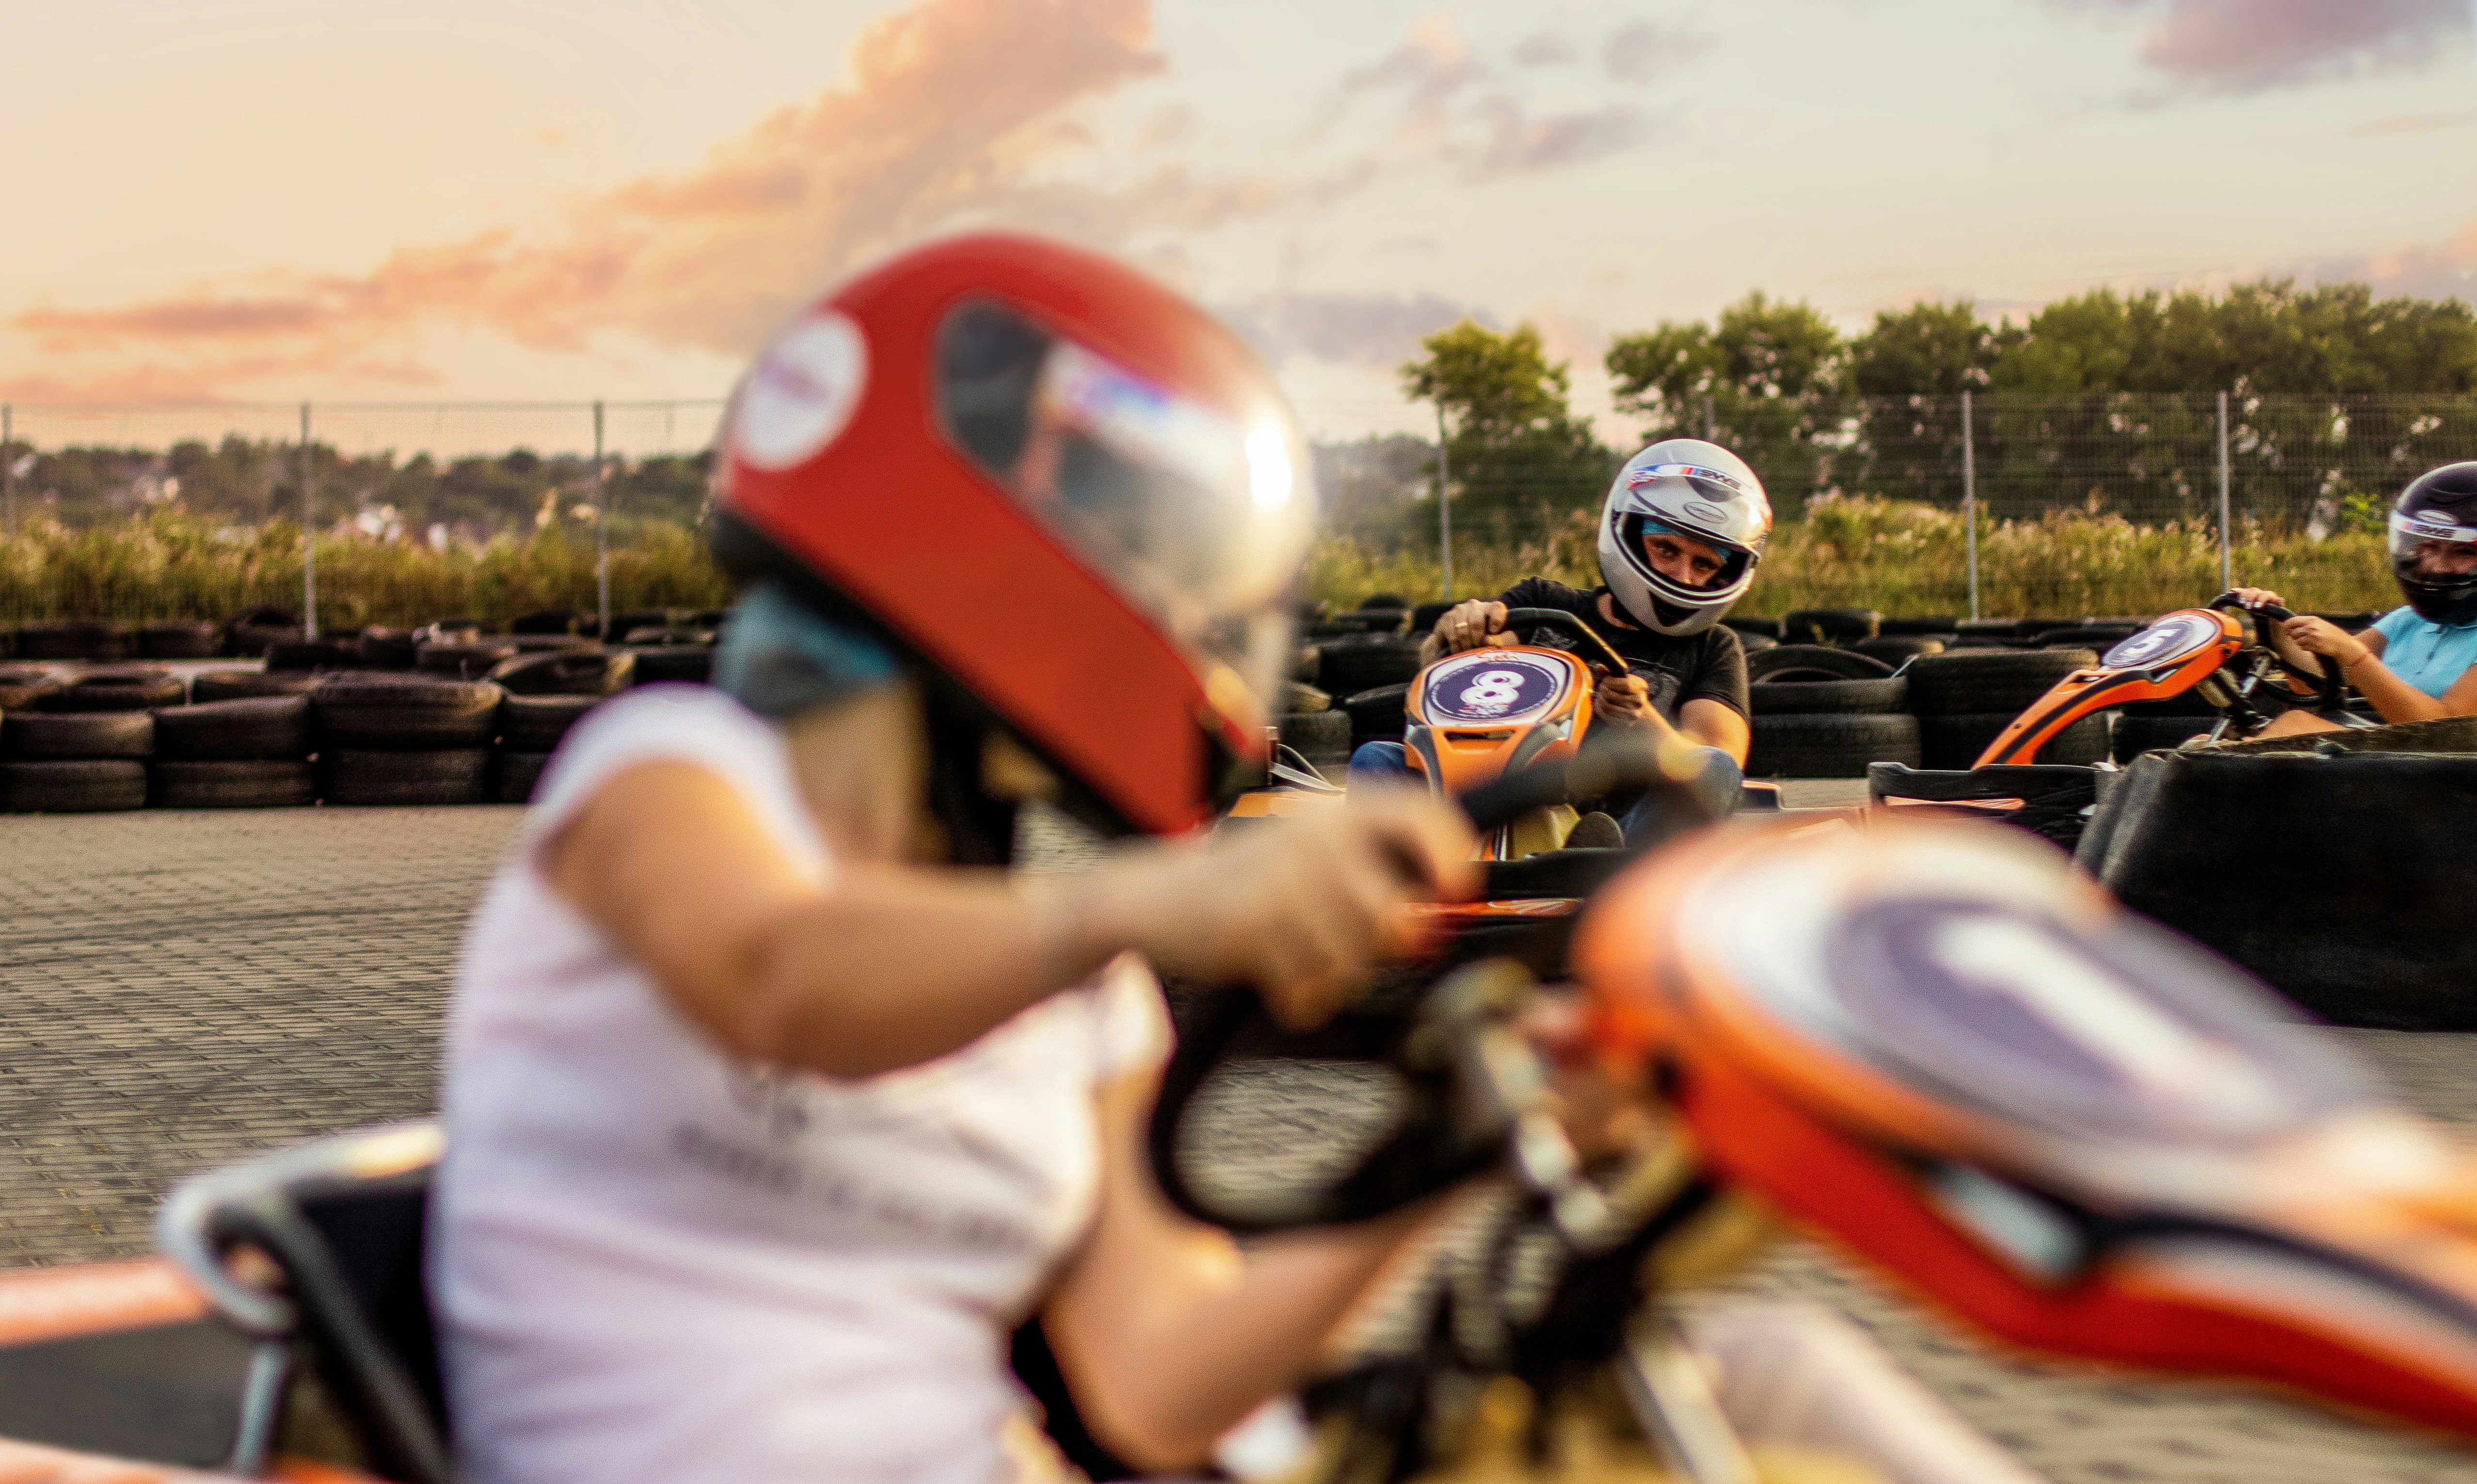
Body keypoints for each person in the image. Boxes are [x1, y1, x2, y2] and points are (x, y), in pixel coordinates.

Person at [429, 235, 1484, 1484]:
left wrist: (1453, 1144)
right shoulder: (666, 771)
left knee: (1752, 1380)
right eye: (1159, 567)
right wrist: (1152, 901)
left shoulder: (1087, 993)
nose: (1191, 630)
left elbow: (1160, 1383)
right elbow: (777, 976)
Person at [1348, 438, 1769, 839]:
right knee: (1375, 760)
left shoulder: (1714, 648)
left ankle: (1597, 861)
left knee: (1713, 771)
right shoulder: (1543, 602)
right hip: (1506, 796)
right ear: (1627, 533)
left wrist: (1641, 719)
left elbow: (1715, 761)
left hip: (1621, 826)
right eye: (1666, 550)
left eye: (1703, 564)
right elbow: (1455, 670)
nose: (1682, 576)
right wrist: (1460, 629)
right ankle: (1424, 870)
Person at [2231, 462, 2477, 738]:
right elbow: (2316, 685)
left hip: (2444, 770)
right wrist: (2275, 630)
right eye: (2430, 547)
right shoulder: (2409, 621)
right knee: (2212, 743)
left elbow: (2445, 733)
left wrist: (2353, 653)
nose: (2437, 567)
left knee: (2297, 727)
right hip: (2395, 761)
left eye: (2464, 553)